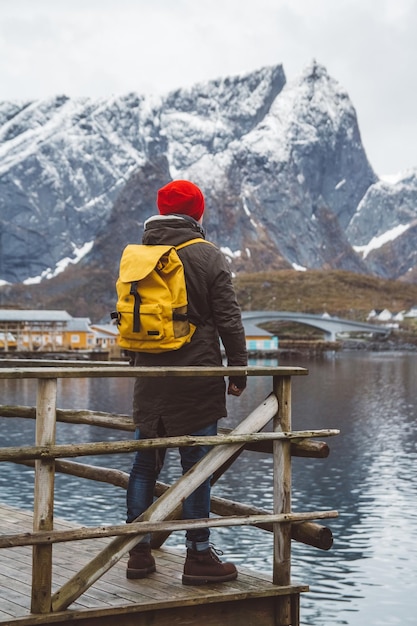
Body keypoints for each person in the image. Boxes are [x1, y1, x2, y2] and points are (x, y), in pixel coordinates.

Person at [125, 179, 248, 585]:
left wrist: (136, 361)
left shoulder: (139, 255)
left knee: (144, 464)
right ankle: (198, 557)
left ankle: (138, 553)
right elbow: (228, 317)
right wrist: (238, 367)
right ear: (198, 213)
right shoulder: (207, 255)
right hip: (196, 375)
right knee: (197, 465)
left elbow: (131, 316)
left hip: (149, 374)